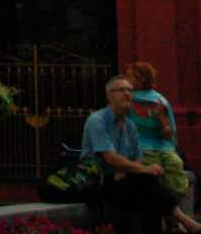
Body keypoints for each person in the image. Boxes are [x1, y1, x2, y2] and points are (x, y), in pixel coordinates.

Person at [82, 73, 180, 234]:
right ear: (109, 96)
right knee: (148, 185)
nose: (127, 93)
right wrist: (141, 169)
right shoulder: (97, 120)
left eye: (129, 90)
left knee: (149, 194)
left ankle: (178, 221)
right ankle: (181, 218)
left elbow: (138, 158)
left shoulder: (130, 125)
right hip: (100, 181)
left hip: (124, 180)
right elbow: (110, 158)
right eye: (121, 90)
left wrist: (128, 170)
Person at [126, 60, 201, 234]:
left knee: (175, 164)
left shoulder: (158, 101)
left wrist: (162, 120)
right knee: (153, 170)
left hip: (160, 145)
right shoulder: (126, 100)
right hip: (139, 146)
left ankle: (171, 218)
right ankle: (174, 219)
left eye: (132, 77)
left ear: (142, 79)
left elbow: (168, 133)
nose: (129, 80)